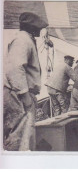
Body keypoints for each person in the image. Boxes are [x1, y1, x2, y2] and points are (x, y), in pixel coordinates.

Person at [3, 12, 48, 151]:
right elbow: (15, 68)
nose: (40, 30)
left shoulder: (24, 39)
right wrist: (25, 94)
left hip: (17, 93)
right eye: (38, 27)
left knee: (23, 136)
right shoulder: (23, 40)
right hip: (18, 94)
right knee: (20, 137)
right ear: (31, 28)